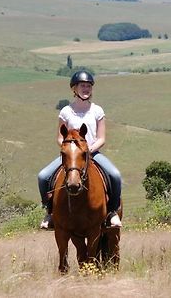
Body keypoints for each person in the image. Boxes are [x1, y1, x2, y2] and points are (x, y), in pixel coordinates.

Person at [38, 70, 122, 229]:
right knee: (43, 176)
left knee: (115, 175)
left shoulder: (97, 111)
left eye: (89, 86)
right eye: (82, 86)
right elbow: (59, 137)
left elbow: (101, 138)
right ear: (74, 89)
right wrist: (68, 149)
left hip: (92, 153)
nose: (86, 89)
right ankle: (50, 212)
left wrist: (88, 149)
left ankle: (112, 212)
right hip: (71, 155)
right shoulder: (66, 112)